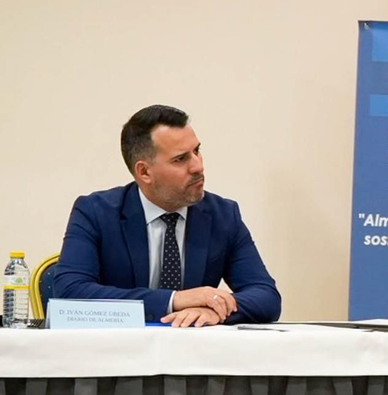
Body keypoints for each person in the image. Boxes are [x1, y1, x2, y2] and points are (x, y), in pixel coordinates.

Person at [54, 105, 282, 327]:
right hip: (117, 354)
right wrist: (174, 301)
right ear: (144, 171)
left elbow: (266, 296)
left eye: (197, 151)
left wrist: (212, 309)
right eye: (180, 159)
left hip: (193, 358)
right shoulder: (95, 212)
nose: (198, 166)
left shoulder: (223, 215)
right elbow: (69, 291)